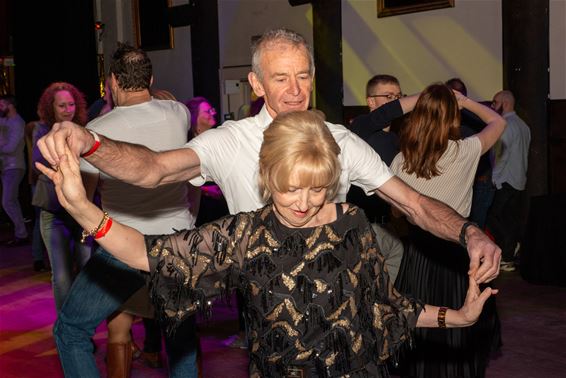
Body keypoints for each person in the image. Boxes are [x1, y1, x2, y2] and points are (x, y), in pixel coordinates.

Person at [39, 109, 497, 377]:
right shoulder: (246, 236)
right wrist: (84, 210)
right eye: (291, 187)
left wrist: (459, 316)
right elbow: (148, 252)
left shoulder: (353, 223)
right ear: (267, 177)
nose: (304, 202)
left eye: (317, 188)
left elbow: (381, 306)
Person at [59, 43, 199, 378]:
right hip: (177, 244)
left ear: (112, 82)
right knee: (180, 339)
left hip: (122, 247)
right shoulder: (179, 113)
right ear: (150, 77)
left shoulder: (96, 132)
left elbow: (86, 194)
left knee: (70, 331)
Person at [390, 83, 506, 378]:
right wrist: (465, 101)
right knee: (460, 320)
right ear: (453, 118)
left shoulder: (402, 160)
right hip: (456, 251)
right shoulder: (465, 150)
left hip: (417, 254)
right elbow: (498, 121)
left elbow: (395, 211)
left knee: (417, 317)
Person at [32, 82, 93, 312]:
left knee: (87, 271)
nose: (68, 109)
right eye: (62, 105)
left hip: (82, 213)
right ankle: (68, 332)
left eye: (71, 104)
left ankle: (82, 326)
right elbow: (39, 164)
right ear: (51, 108)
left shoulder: (84, 130)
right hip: (53, 212)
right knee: (62, 277)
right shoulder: (41, 131)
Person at [347, 74, 405, 282]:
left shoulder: (394, 137)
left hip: (389, 227)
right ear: (371, 101)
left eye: (399, 96)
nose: (397, 101)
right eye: (389, 96)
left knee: (389, 289)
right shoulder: (361, 127)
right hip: (365, 226)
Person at [487, 90, 531, 272]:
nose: (492, 106)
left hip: (505, 180)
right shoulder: (523, 125)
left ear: (504, 103)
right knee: (509, 219)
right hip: (518, 180)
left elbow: (501, 156)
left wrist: (493, 178)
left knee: (493, 216)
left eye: (494, 102)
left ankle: (508, 251)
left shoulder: (506, 125)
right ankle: (510, 251)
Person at [0, 95, 29, 246]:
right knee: (11, 201)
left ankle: (22, 234)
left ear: (10, 105)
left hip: (15, 166)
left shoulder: (18, 122)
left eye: (2, 104)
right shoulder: (4, 120)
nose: (0, 108)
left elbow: (11, 147)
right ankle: (21, 233)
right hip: (6, 166)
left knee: (8, 201)